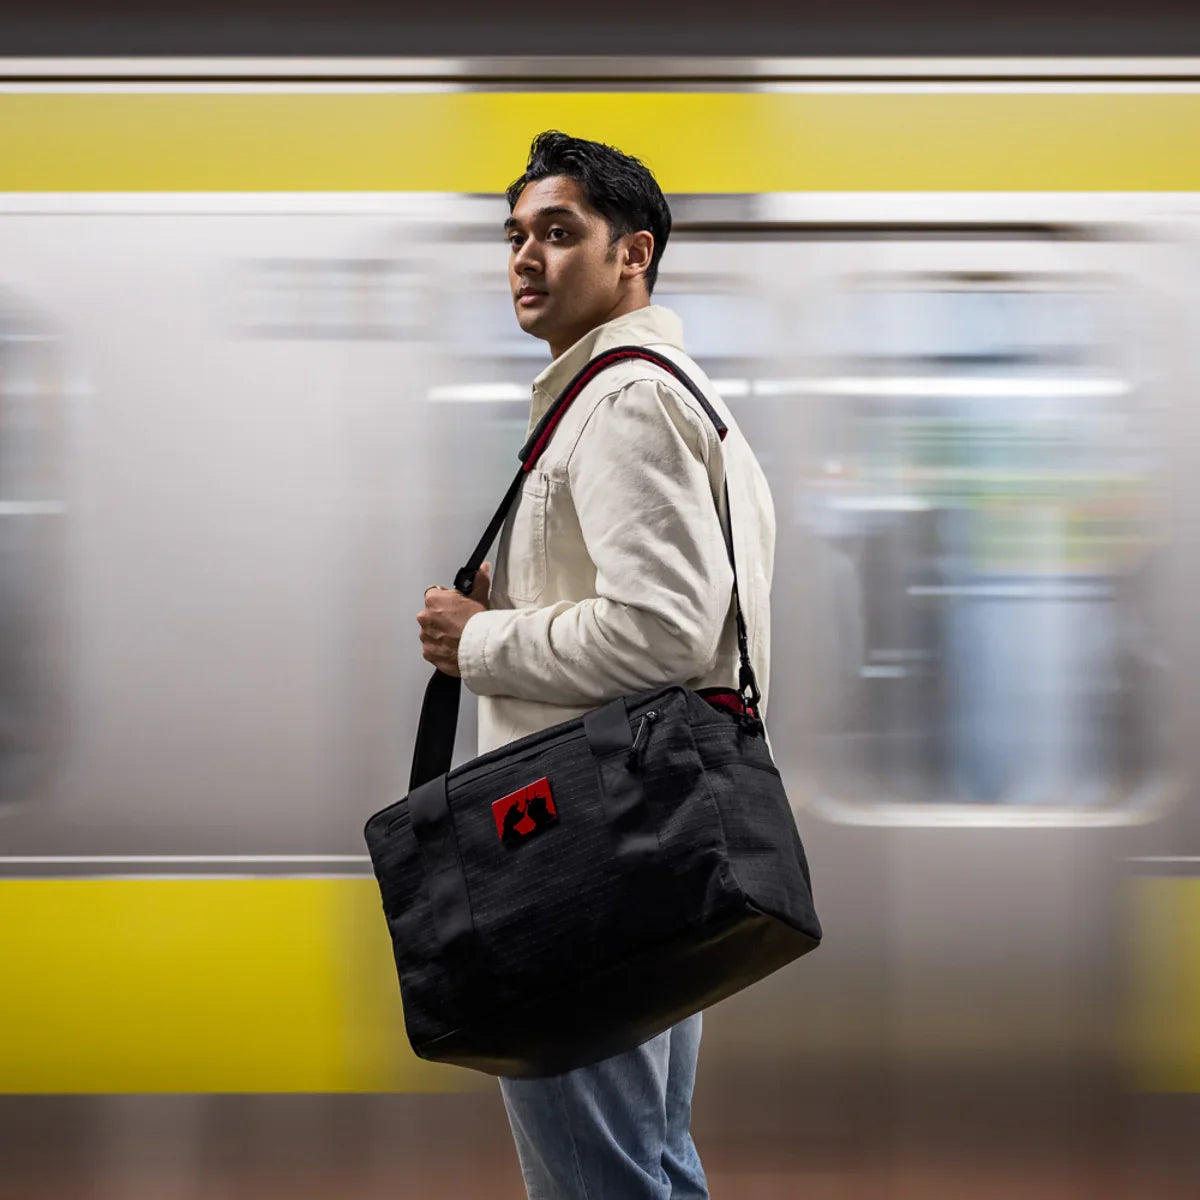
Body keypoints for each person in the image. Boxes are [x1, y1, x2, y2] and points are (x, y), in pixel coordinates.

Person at [416, 130, 776, 1200]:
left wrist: (477, 641)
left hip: (583, 856)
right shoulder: (649, 396)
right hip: (633, 839)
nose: (526, 257)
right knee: (650, 1168)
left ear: (636, 255)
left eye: (560, 232)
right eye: (516, 235)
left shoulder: (625, 403)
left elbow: (663, 630)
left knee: (601, 1183)